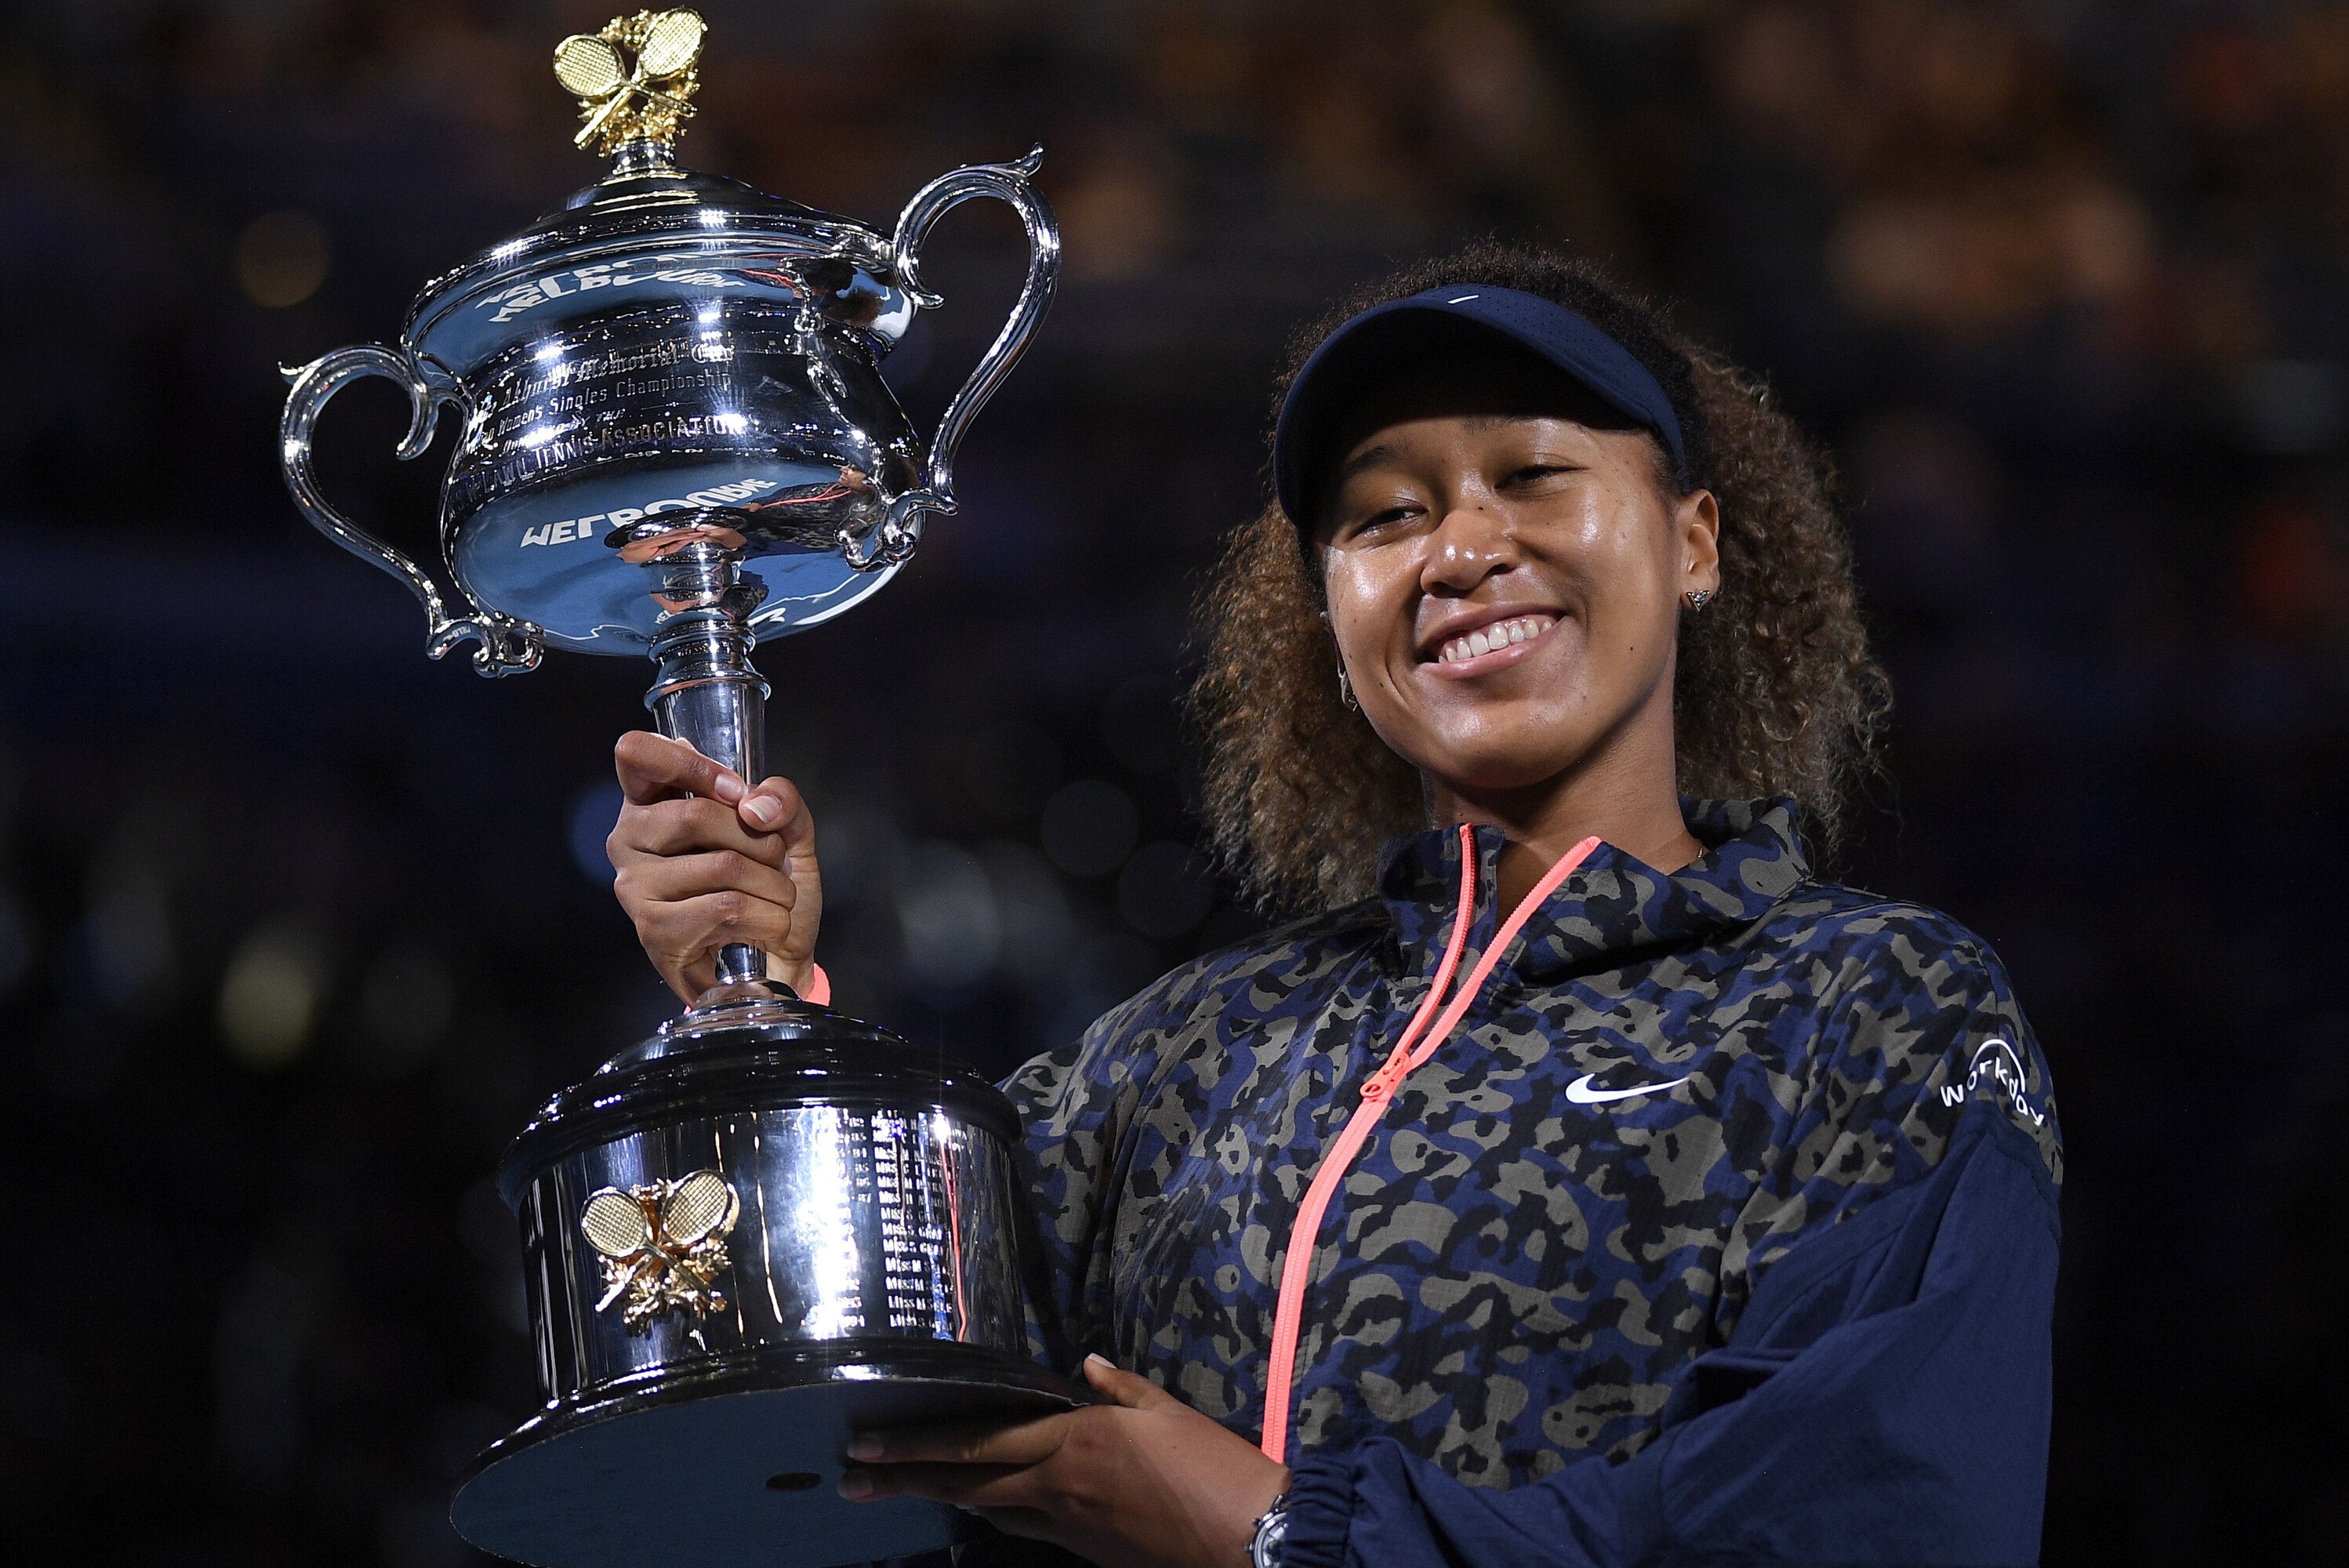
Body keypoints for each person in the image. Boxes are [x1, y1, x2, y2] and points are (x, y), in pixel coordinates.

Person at [606, 243, 2064, 1568]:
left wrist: (1279, 1535)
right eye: (1385, 513)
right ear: (1327, 615)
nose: (1458, 549)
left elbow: (1865, 1521)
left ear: (1693, 541)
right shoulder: (1183, 1053)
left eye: (1536, 475)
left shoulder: (1868, 1008)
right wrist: (765, 1000)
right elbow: (858, 1380)